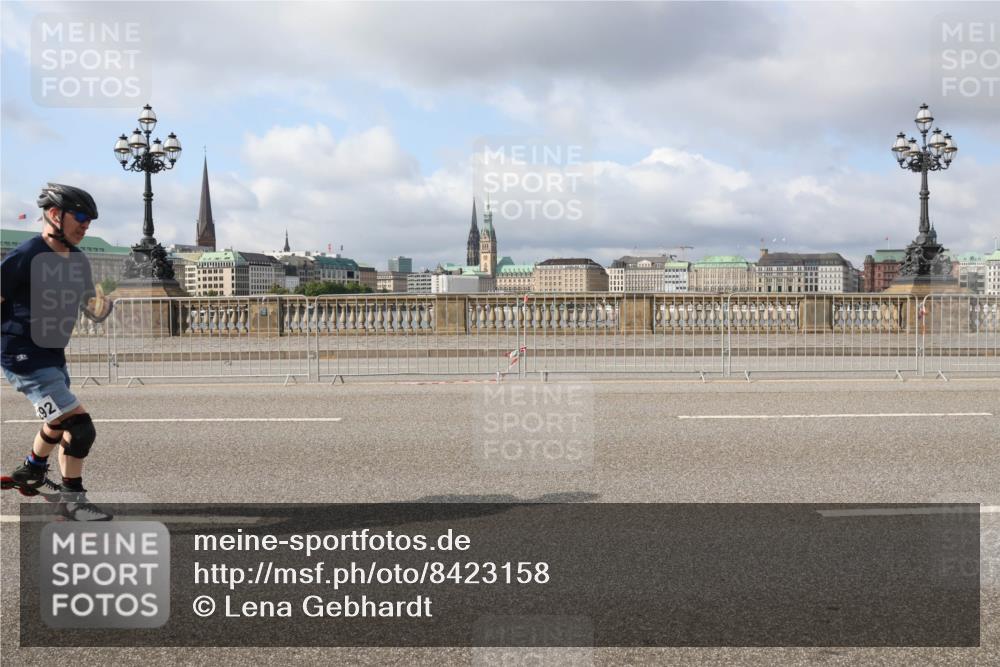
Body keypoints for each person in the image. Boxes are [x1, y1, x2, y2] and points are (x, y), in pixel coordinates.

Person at [1, 184, 114, 521]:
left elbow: (88, 307)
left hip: (52, 354)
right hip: (24, 357)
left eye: (90, 221)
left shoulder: (78, 260)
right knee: (79, 427)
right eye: (80, 216)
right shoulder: (27, 254)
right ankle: (73, 501)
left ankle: (31, 471)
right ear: (54, 214)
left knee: (56, 422)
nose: (85, 225)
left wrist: (100, 309)